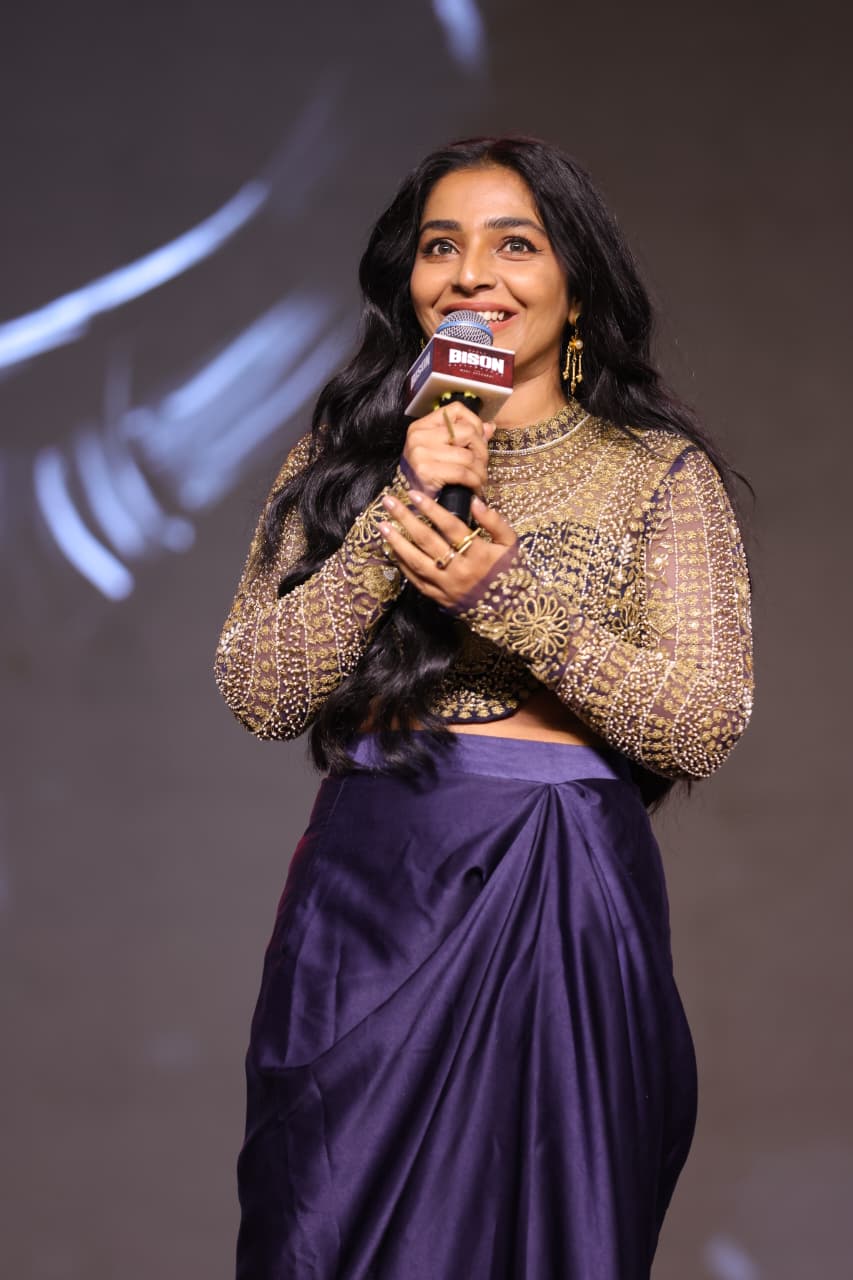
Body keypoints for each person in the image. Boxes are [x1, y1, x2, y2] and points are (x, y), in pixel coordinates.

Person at [214, 136, 753, 1279]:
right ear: (408, 282)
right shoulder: (339, 456)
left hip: (561, 887)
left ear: (575, 288)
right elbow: (260, 689)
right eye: (439, 246)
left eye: (515, 244)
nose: (470, 274)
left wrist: (500, 596)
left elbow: (700, 720)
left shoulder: (656, 474)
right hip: (372, 892)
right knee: (325, 1231)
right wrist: (393, 518)